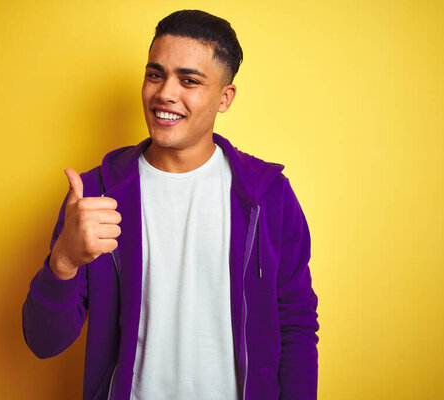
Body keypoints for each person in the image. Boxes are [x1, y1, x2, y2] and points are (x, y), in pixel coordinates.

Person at [22, 9, 319, 400]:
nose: (165, 93)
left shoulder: (268, 196)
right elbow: (44, 342)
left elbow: (295, 325)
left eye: (189, 80)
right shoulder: (94, 196)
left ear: (225, 98)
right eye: (155, 74)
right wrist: (63, 262)